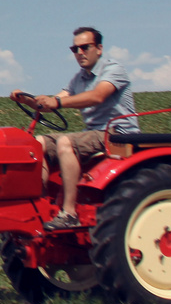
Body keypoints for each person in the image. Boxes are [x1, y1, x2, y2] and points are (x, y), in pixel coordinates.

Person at [9, 27, 137, 230]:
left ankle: (69, 213)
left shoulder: (113, 70)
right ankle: (39, 207)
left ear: (99, 48)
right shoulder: (79, 79)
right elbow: (55, 100)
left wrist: (57, 103)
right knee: (38, 143)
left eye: (85, 47)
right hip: (94, 133)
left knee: (65, 142)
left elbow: (98, 96)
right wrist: (29, 100)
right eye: (75, 49)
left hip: (118, 133)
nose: (79, 53)